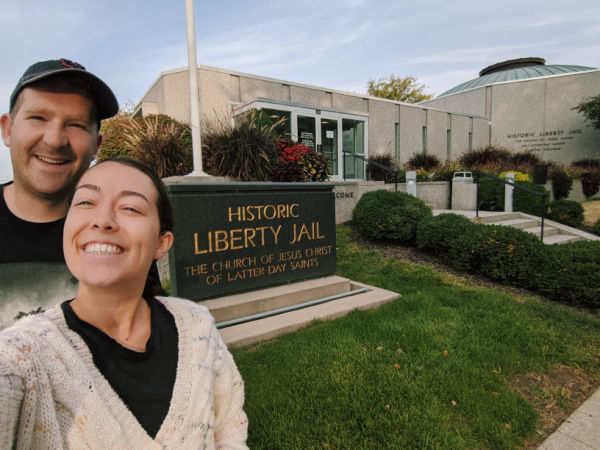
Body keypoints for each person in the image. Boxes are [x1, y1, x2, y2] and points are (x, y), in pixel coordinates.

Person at [0, 157, 248, 448]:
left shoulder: (197, 325)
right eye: (85, 203)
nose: (102, 220)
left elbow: (229, 428)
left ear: (161, 243)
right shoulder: (24, 355)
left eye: (130, 207)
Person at [0, 59, 162, 327]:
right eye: (38, 118)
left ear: (96, 144)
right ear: (8, 129)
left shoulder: (123, 233)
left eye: (76, 125)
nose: (55, 140)